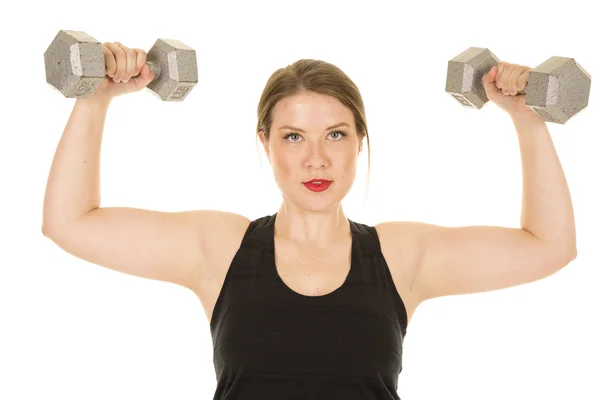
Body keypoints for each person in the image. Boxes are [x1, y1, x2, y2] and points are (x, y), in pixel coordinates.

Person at [42, 41, 578, 399]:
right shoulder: (220, 249)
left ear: (359, 143)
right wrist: (95, 99)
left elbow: (549, 245)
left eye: (336, 134)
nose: (315, 159)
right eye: (293, 136)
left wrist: (527, 118)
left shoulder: (400, 257)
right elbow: (69, 222)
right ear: (266, 144)